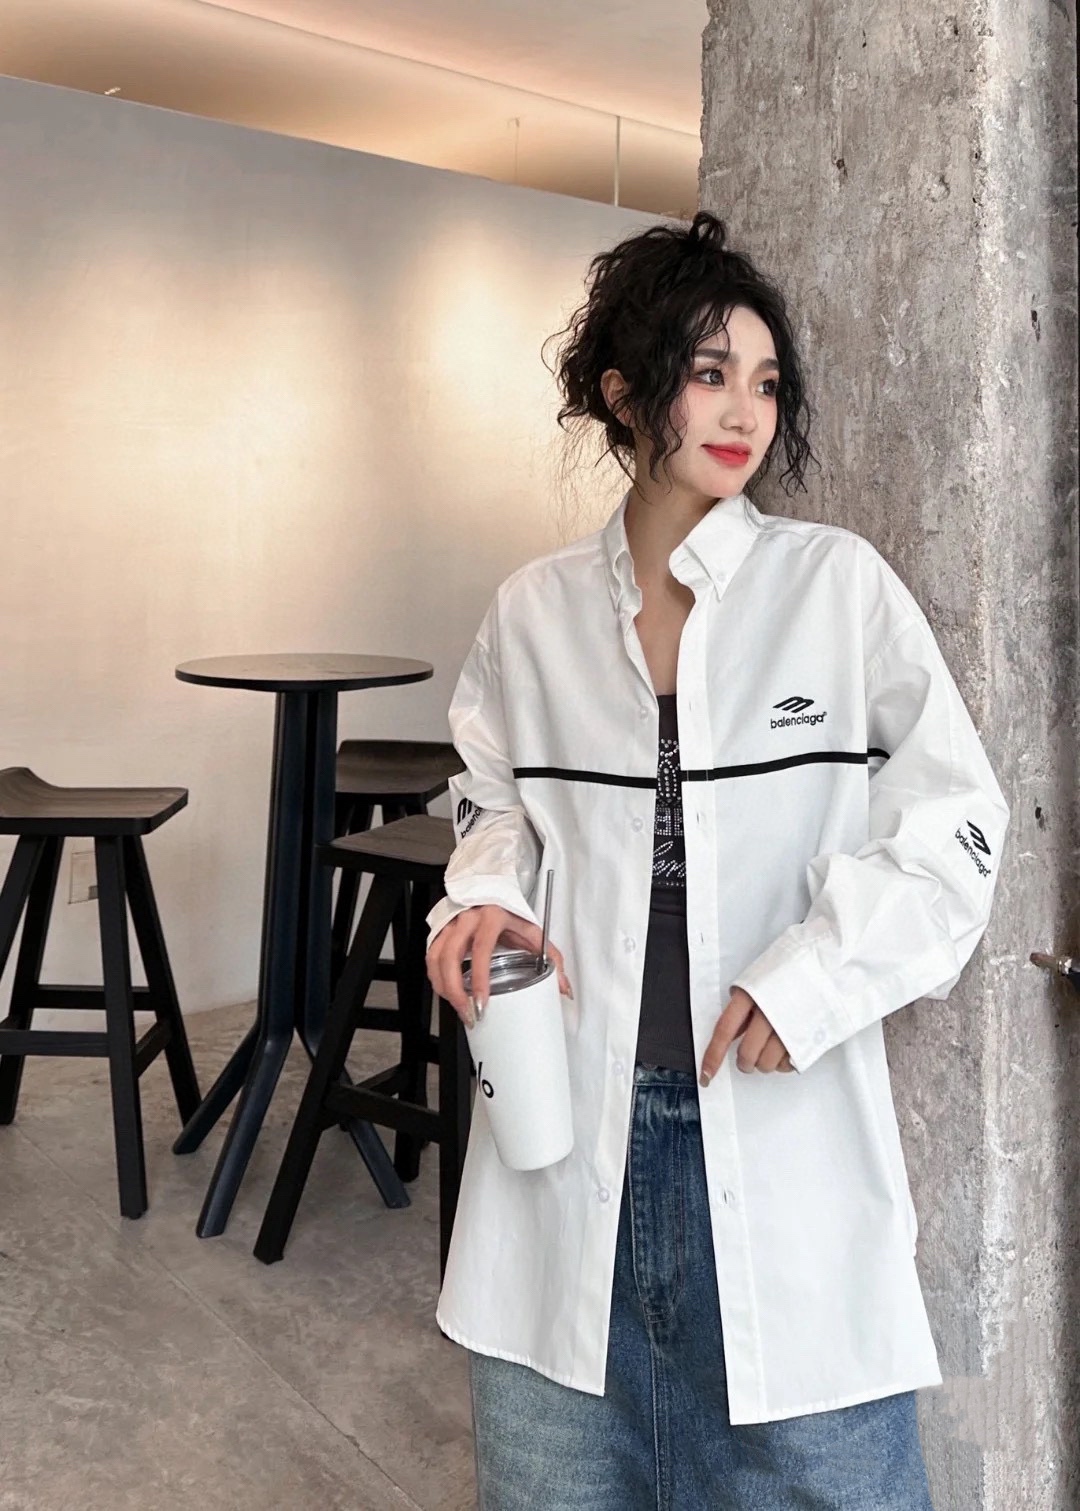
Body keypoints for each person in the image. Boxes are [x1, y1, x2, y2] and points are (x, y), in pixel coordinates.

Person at [424, 210, 1009, 1510]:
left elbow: (959, 828)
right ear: (624, 393)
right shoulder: (532, 613)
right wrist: (484, 900)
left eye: (765, 381)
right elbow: (489, 801)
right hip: (564, 1137)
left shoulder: (836, 591)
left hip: (779, 1145)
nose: (745, 411)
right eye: (708, 373)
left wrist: (814, 980)